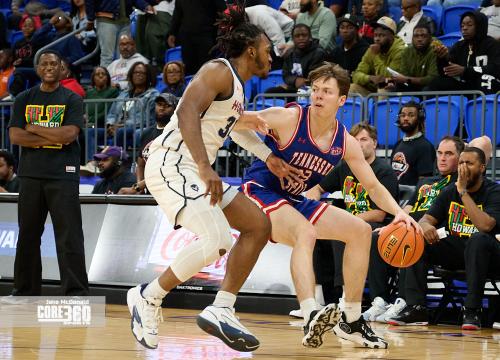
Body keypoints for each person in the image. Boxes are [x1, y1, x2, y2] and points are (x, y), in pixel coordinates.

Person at [126, 4, 300, 351]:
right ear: (252, 50)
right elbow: (187, 110)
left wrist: (270, 158)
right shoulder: (219, 70)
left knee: (257, 227)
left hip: (193, 167)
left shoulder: (237, 87)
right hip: (173, 163)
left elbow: (233, 129)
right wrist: (206, 168)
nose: (272, 55)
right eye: (268, 50)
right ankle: (147, 295)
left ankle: (222, 308)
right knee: (217, 239)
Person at [239, 62, 420, 349]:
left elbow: (372, 185)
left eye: (326, 91)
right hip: (260, 191)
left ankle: (351, 319)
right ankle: (311, 312)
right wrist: (265, 154)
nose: (318, 96)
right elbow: (233, 122)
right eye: (315, 90)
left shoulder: (345, 141)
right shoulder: (288, 118)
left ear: (342, 100)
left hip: (293, 199)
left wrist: (399, 213)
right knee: (305, 232)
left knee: (360, 230)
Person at [6, 49, 89, 297]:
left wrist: (35, 129)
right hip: (30, 174)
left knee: (69, 235)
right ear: (38, 69)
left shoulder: (72, 99)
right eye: (44, 63)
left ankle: (75, 292)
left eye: (54, 63)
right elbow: (16, 136)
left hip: (63, 174)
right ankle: (24, 290)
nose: (50, 67)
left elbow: (69, 135)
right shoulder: (23, 98)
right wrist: (48, 134)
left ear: (62, 68)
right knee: (28, 234)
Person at [389, 147, 500, 329]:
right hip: (458, 252)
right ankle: (416, 307)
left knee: (478, 239)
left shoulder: (494, 191)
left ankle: (472, 309)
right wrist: (425, 228)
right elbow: (426, 219)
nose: (463, 168)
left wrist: (463, 192)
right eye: (461, 163)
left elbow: (485, 226)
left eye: (469, 163)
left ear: (482, 167)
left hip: (489, 255)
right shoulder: (449, 191)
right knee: (416, 238)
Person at [364, 136, 465, 323]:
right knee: (376, 237)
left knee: (413, 239)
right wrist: (390, 227)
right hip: (410, 227)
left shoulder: (458, 186)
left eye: (449, 154)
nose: (442, 158)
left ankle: (405, 302)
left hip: (437, 233)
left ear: (460, 158)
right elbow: (406, 211)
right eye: (440, 153)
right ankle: (380, 301)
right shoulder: (424, 182)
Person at [306, 122, 399, 321]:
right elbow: (317, 188)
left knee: (344, 234)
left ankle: (347, 297)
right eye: (355, 140)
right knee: (313, 233)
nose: (358, 144)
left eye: (363, 140)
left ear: (374, 143)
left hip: (379, 226)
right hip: (353, 222)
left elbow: (380, 213)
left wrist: (349, 220)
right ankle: (323, 299)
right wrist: (310, 202)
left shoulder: (384, 171)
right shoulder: (344, 167)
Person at [428, 11, 500, 94]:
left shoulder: (492, 44)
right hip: (465, 85)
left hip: (487, 84)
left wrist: (465, 70)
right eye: (462, 25)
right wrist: (442, 59)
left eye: (469, 25)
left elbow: (495, 68)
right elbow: (445, 72)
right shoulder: (459, 46)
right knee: (437, 82)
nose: (464, 28)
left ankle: (484, 106)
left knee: (485, 79)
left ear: (480, 26)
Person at [130, 93, 178, 195]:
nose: (162, 108)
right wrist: (139, 183)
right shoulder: (147, 133)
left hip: (171, 189)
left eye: (167, 106)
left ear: (175, 110)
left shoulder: (176, 133)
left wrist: (141, 185)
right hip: (150, 189)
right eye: (159, 104)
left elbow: (169, 168)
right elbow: (141, 164)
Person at [85, 0, 155, 67]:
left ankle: (122, 78)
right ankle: (106, 79)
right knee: (107, 56)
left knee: (124, 55)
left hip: (125, 22)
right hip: (106, 19)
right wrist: (90, 18)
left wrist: (145, 6)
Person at [350, 16, 405, 96]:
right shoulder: (372, 49)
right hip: (374, 90)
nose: (377, 39)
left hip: (396, 90)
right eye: (375, 35)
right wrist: (370, 78)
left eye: (382, 35)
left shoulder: (400, 51)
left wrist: (376, 56)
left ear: (392, 36)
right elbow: (356, 74)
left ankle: (382, 109)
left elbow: (390, 77)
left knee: (384, 86)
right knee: (352, 88)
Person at [391, 101, 436, 186]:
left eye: (411, 115)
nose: (406, 118)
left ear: (419, 118)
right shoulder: (398, 144)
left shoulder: (425, 147)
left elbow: (424, 182)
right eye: (403, 115)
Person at [387, 24, 439, 92]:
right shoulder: (406, 52)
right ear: (412, 39)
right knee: (388, 86)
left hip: (430, 87)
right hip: (412, 85)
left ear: (430, 38)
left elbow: (431, 79)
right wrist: (394, 82)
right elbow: (404, 74)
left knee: (427, 90)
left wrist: (406, 79)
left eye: (423, 36)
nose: (419, 39)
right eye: (416, 36)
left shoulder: (435, 51)